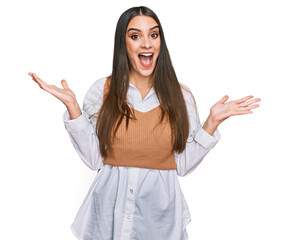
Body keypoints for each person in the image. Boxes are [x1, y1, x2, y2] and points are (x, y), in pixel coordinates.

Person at [28, 6, 261, 240]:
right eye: (135, 36)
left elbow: (182, 165)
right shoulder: (102, 91)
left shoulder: (181, 97)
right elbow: (94, 159)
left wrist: (212, 122)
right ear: (123, 44)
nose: (147, 44)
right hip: (108, 219)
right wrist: (73, 108)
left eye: (154, 34)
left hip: (159, 223)